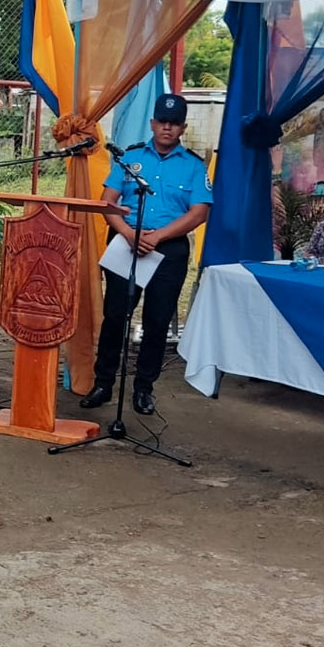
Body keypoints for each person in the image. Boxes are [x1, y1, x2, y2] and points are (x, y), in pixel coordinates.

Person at [80, 93, 212, 416]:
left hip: (169, 249)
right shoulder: (131, 158)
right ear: (153, 123)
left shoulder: (194, 166)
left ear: (182, 128)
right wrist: (128, 232)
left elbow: (198, 213)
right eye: (162, 122)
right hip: (126, 242)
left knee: (157, 321)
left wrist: (157, 237)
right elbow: (107, 200)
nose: (167, 128)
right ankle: (103, 382)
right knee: (115, 315)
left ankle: (144, 389)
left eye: (174, 123)